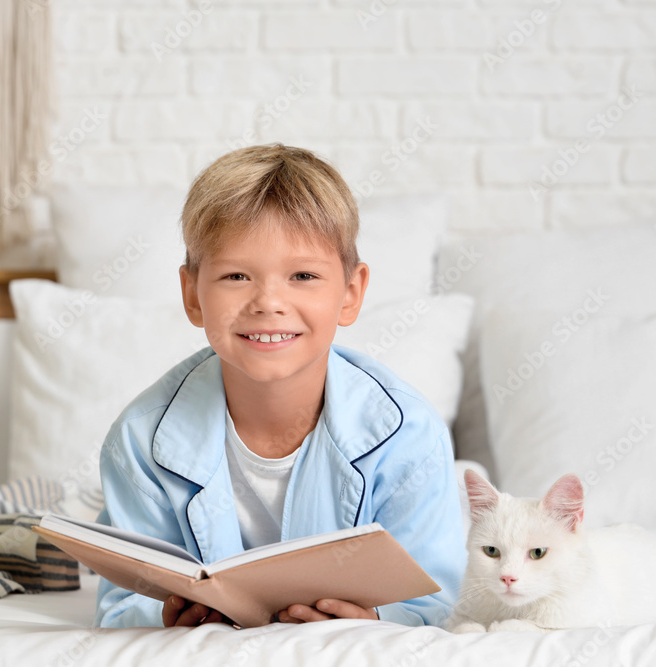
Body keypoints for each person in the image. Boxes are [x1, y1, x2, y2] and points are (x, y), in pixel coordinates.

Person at [94, 144, 465, 629]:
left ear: (351, 293)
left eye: (303, 275)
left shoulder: (409, 434)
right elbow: (122, 608)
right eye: (236, 276)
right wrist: (164, 616)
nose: (268, 302)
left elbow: (438, 604)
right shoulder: (139, 440)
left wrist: (376, 619)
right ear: (193, 295)